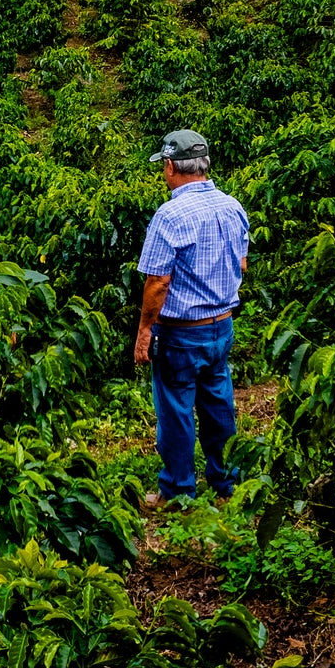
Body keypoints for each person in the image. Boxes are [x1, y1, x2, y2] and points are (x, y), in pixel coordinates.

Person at [134, 129, 249, 509]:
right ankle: (227, 482)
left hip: (181, 332)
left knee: (176, 409)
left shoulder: (171, 215)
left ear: (170, 166)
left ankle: (179, 491)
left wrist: (145, 332)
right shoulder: (232, 206)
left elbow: (157, 282)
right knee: (218, 403)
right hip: (221, 325)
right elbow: (242, 263)